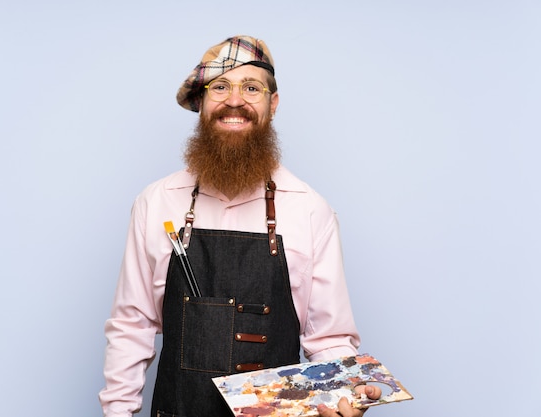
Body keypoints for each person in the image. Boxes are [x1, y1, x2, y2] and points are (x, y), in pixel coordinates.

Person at [99, 35, 380, 417]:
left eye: (251, 87)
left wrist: (344, 395)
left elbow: (328, 337)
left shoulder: (310, 209)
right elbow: (132, 327)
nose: (235, 100)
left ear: (273, 103)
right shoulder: (157, 201)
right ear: (201, 103)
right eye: (220, 86)